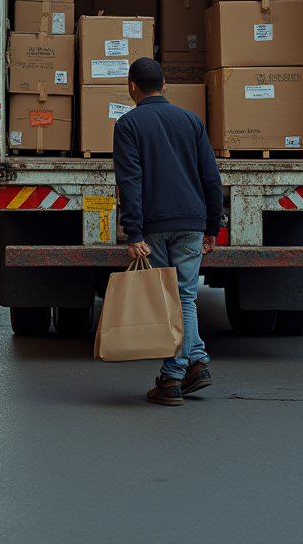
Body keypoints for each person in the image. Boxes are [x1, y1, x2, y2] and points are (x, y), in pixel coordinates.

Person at [113, 57, 223, 406]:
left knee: (168, 300)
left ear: (132, 86)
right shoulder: (191, 121)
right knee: (185, 297)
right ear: (165, 85)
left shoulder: (128, 125)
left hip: (155, 226)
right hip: (192, 223)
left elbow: (130, 181)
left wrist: (133, 233)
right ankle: (197, 363)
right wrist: (212, 225)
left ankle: (172, 379)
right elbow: (210, 176)